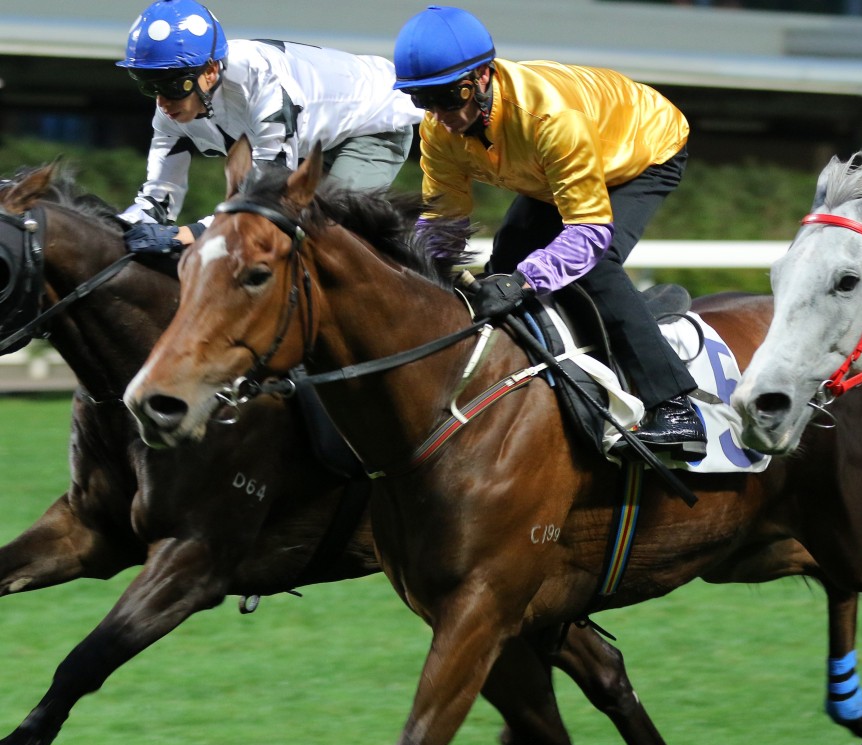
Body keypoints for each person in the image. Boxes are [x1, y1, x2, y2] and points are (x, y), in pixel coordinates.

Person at [391, 5, 706, 457]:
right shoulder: (439, 130)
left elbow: (588, 233)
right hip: (553, 170)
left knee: (591, 267)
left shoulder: (549, 116)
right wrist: (420, 277)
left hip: (643, 152)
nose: (440, 115)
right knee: (505, 263)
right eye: (424, 101)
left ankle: (675, 406)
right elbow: (443, 221)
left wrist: (522, 282)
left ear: (482, 77)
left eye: (449, 97)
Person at [116, 0, 424, 255]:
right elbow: (157, 199)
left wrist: (187, 234)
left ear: (210, 71)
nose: (162, 102)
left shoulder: (263, 83)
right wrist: (115, 230)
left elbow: (266, 200)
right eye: (149, 86)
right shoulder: (171, 111)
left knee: (327, 232)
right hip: (309, 141)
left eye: (172, 86)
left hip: (371, 122)